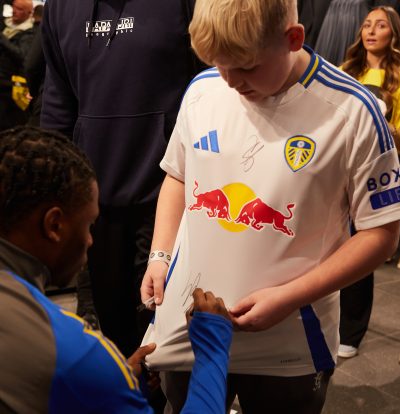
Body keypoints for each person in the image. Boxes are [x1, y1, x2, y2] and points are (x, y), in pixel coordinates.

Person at [140, 0, 400, 412]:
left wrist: (288, 297)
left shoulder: (354, 110)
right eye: (218, 64)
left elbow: (381, 233)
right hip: (191, 323)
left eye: (247, 67)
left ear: (293, 39)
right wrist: (160, 256)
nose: (231, 81)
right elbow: (178, 175)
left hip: (292, 340)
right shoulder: (202, 89)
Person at [0, 126, 233, 414]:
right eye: (89, 225)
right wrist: (211, 350)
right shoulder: (69, 348)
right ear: (54, 225)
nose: (90, 241)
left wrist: (112, 391)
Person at [40, 0, 205, 362]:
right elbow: (58, 100)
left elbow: (212, 79)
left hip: (171, 191)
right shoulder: (60, 7)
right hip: (95, 199)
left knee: (166, 333)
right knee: (114, 329)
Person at [339, 6, 400, 359]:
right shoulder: (344, 72)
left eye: (380, 25)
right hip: (340, 166)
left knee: (363, 246)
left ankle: (351, 333)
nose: (371, 31)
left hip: (379, 170)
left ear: (393, 34)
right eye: (367, 24)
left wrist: (384, 124)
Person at [0, 0, 34, 131]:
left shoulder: (30, 32)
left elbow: (21, 55)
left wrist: (2, 39)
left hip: (10, 89)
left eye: (19, 9)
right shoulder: (5, 25)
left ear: (29, 13)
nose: (14, 11)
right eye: (14, 7)